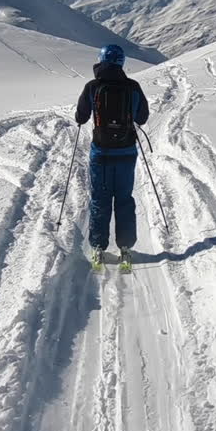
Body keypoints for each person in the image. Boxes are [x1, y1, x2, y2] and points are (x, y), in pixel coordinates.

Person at [73, 44, 149, 271]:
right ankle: (125, 247)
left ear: (101, 60)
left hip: (101, 153)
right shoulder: (133, 86)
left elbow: (81, 117)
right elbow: (142, 118)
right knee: (124, 198)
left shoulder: (92, 86)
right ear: (121, 62)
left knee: (100, 199)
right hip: (126, 153)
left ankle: (98, 247)